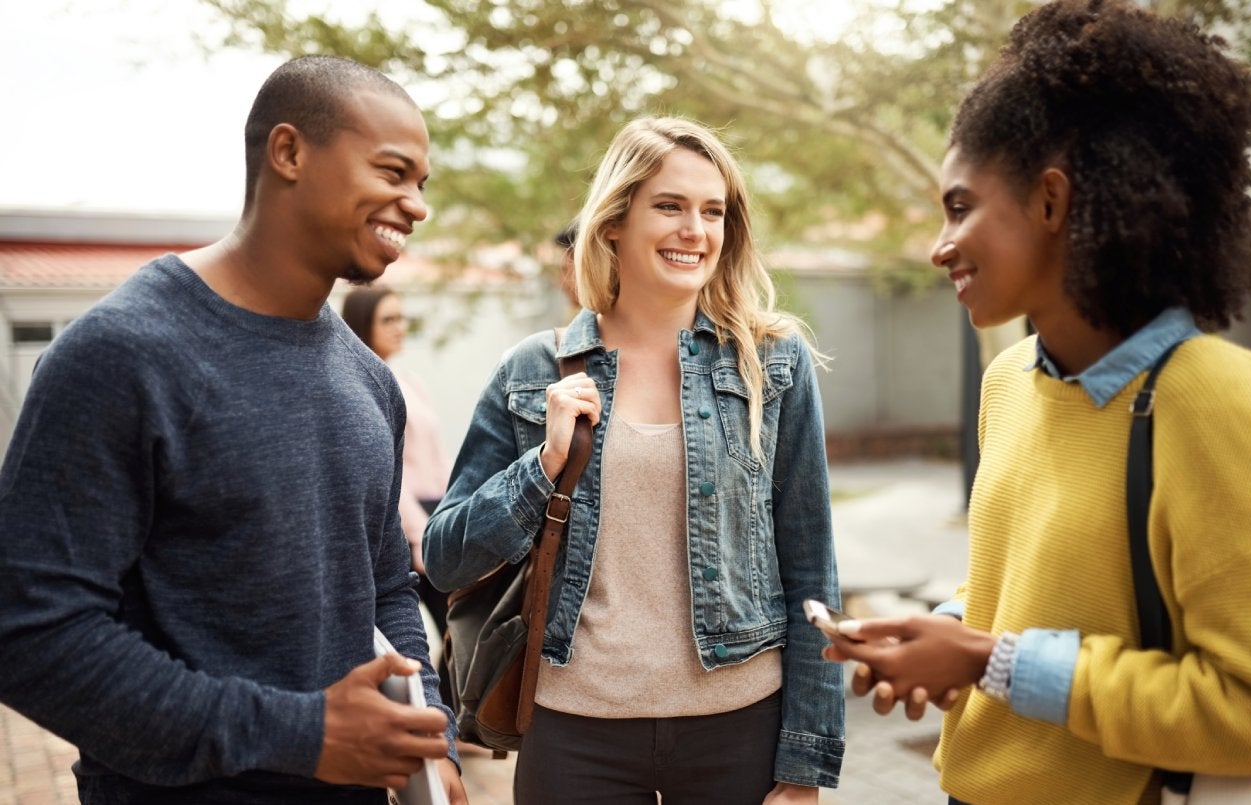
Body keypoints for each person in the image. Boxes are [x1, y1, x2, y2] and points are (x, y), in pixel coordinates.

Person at [822, 1, 1251, 803]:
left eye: (959, 206)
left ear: (1050, 200)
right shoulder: (1008, 382)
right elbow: (1024, 593)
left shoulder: (1206, 392)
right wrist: (940, 637)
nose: (938, 247)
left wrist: (988, 660)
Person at [0, 55, 468, 804]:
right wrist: (302, 735)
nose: (415, 205)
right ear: (288, 152)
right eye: (392, 172)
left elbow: (384, 589)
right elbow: (30, 632)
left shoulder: (369, 381)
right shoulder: (123, 354)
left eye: (422, 184)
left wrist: (429, 739)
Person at [425, 116, 845, 803]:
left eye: (713, 211)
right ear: (615, 221)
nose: (695, 230)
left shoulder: (772, 363)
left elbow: (813, 568)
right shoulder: (533, 370)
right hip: (575, 731)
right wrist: (543, 466)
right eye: (670, 206)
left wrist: (805, 765)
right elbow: (445, 558)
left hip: (738, 728)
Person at [341, 285, 454, 699]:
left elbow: (439, 458)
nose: (400, 327)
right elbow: (391, 472)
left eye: (402, 317)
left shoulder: (410, 382)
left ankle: (448, 717)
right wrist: (421, 536)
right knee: (401, 639)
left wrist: (452, 514)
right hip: (401, 524)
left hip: (435, 515)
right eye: (388, 319)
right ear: (363, 324)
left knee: (456, 632)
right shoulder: (359, 386)